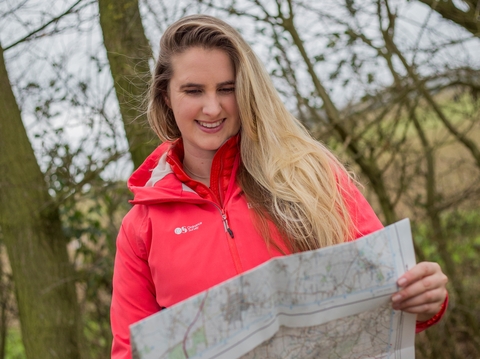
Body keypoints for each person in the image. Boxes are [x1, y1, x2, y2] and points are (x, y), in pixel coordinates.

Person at [110, 14, 448, 359]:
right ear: (166, 96)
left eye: (227, 89)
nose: (212, 108)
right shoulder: (141, 228)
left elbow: (386, 288)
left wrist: (422, 299)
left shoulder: (308, 174)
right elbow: (128, 352)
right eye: (193, 90)